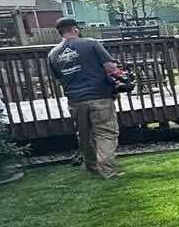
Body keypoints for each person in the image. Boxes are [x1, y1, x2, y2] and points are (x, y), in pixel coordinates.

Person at [47, 16, 124, 179]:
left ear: (59, 33)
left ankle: (93, 168)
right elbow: (110, 67)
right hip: (99, 96)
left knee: (85, 136)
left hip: (75, 101)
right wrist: (120, 79)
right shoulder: (91, 43)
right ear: (75, 29)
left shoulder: (53, 54)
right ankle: (108, 171)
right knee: (105, 133)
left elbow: (59, 78)